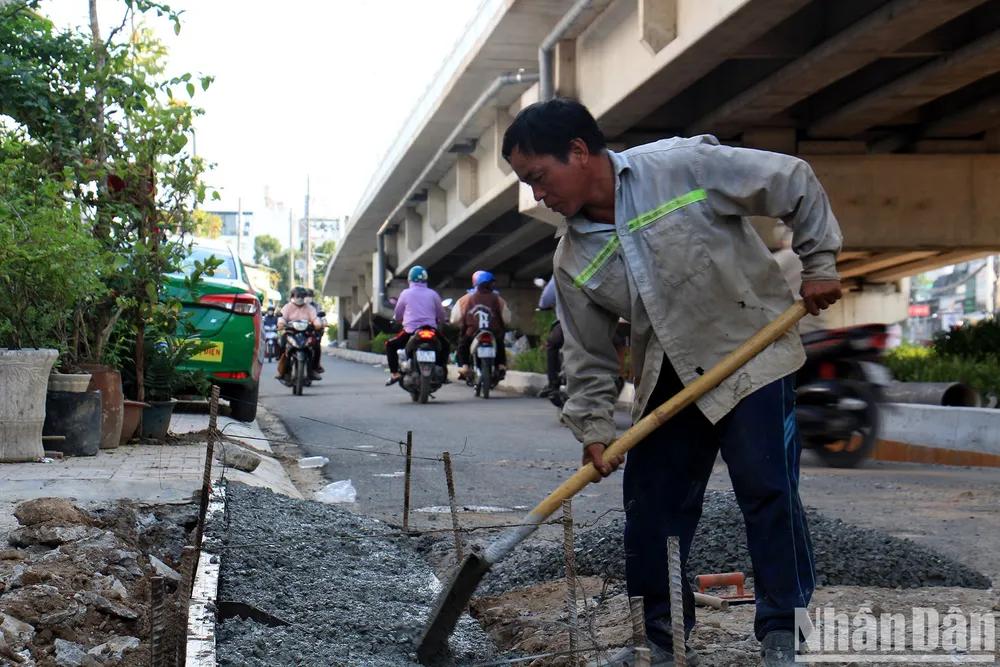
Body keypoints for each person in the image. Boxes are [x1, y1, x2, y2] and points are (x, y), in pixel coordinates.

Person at [502, 98, 843, 667]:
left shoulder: (682, 167)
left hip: (749, 356)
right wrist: (592, 427)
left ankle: (784, 634)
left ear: (579, 152)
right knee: (652, 507)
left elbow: (793, 181)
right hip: (670, 374)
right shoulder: (571, 257)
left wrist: (820, 264)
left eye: (539, 177)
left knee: (768, 492)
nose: (538, 195)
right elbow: (588, 356)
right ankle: (661, 640)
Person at [385, 266, 450, 386]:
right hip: (431, 330)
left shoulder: (405, 294)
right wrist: (443, 320)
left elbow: (398, 313)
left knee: (390, 345)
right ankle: (442, 371)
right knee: (445, 345)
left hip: (411, 331)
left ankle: (395, 373)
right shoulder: (433, 294)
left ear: (410, 279)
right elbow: (441, 314)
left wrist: (397, 319)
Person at [455, 271, 508, 380]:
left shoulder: (467, 298)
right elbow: (507, 318)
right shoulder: (497, 298)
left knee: (462, 346)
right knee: (500, 344)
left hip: (473, 331)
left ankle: (465, 366)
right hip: (492, 331)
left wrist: (462, 327)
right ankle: (501, 365)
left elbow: (458, 318)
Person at [276, 286, 323, 381]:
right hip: (290, 332)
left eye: (302, 296)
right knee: (282, 343)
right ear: (293, 296)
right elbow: (282, 317)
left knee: (316, 345)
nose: (300, 298)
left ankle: (314, 369)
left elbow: (315, 318)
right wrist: (281, 322)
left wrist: (318, 324)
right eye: (298, 296)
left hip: (307, 333)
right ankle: (281, 368)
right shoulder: (287, 307)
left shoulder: (310, 308)